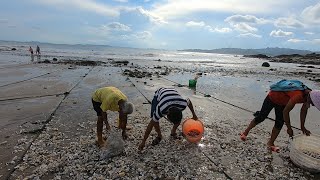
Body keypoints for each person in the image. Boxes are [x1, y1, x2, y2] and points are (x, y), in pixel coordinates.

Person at [240, 84, 320, 152]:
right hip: (273, 97)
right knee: (261, 117)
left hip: (283, 102)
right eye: (313, 103)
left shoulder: (309, 94)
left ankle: (271, 143)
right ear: (312, 99)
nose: (313, 105)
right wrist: (289, 128)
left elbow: (304, 110)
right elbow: (286, 112)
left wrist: (302, 127)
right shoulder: (298, 95)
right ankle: (245, 132)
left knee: (279, 122)